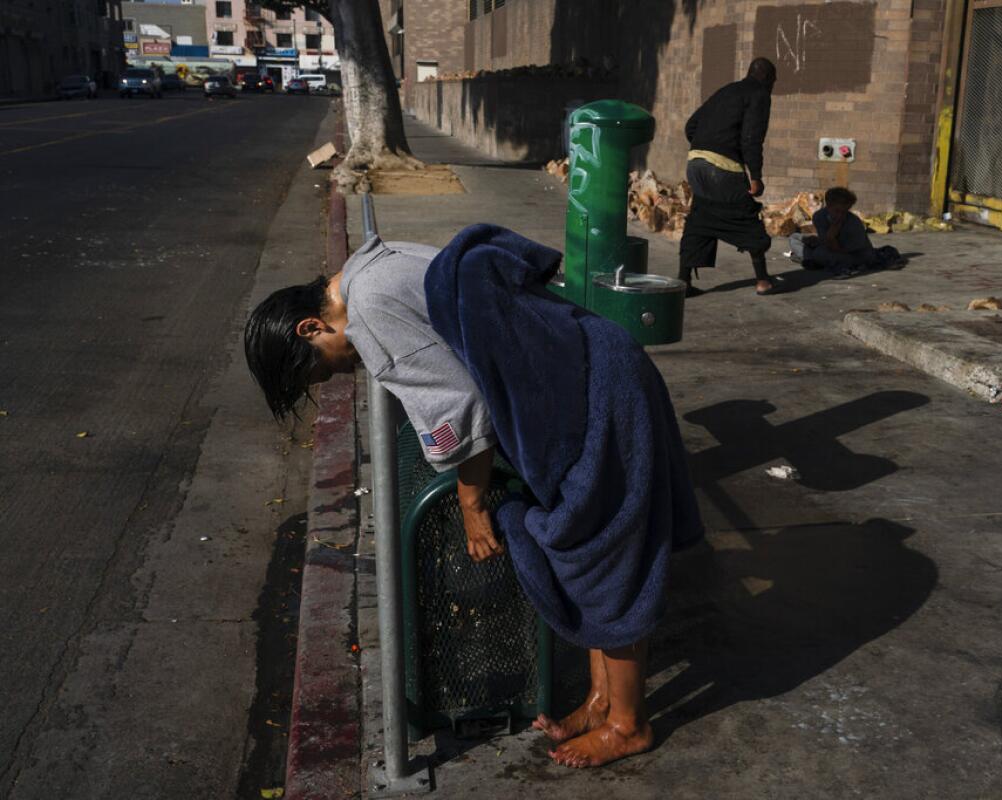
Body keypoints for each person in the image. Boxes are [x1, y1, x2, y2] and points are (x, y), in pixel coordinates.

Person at [244, 226, 703, 769]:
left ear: (311, 325)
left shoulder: (369, 313)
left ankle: (629, 725)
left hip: (585, 394)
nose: (342, 370)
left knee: (602, 559)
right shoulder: (372, 265)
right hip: (593, 361)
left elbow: (457, 412)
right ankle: (603, 701)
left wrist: (471, 502)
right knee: (591, 550)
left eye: (322, 365)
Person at [678, 57, 783, 297]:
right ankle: (763, 281)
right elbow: (751, 138)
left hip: (695, 163)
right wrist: (755, 176)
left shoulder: (727, 91)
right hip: (722, 167)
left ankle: (683, 282)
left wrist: (703, 148)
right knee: (745, 216)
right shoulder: (759, 95)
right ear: (767, 78)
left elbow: (690, 125)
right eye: (773, 81)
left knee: (700, 218)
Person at [790, 186, 901, 279]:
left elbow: (842, 251)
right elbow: (825, 241)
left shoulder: (854, 223)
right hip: (829, 247)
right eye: (837, 211)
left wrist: (831, 237)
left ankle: (811, 259)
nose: (840, 215)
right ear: (828, 206)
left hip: (854, 255)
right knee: (795, 237)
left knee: (822, 254)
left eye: (844, 211)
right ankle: (811, 259)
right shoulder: (819, 216)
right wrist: (818, 240)